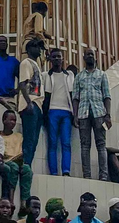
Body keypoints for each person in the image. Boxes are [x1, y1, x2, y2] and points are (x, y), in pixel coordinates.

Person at [72, 48, 111, 180]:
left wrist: (108, 115)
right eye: (87, 54)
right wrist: (75, 115)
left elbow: (107, 96)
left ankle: (103, 175)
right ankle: (87, 175)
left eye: (92, 54)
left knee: (101, 145)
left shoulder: (102, 75)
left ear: (95, 57)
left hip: (99, 113)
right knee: (85, 145)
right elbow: (75, 98)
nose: (90, 56)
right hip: (83, 114)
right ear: (84, 58)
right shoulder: (79, 77)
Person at [43, 47, 74, 176]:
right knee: (52, 143)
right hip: (52, 111)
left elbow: (73, 94)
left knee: (66, 142)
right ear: (50, 59)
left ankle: (66, 171)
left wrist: (75, 114)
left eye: (59, 56)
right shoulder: (46, 75)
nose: (56, 59)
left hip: (67, 112)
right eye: (54, 56)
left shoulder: (69, 75)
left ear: (62, 59)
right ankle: (54, 172)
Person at [0, 110, 32, 214]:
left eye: (14, 120)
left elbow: (21, 152)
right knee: (13, 167)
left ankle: (24, 204)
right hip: (5, 162)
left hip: (18, 161)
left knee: (27, 169)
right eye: (11, 120)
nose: (13, 122)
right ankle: (11, 201)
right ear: (4, 120)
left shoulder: (19, 136)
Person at [18, 38, 44, 166]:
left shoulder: (36, 65)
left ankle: (27, 165)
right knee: (29, 138)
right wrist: (28, 103)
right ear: (28, 49)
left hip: (38, 105)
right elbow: (22, 84)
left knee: (34, 140)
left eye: (39, 47)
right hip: (31, 104)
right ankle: (25, 165)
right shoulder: (26, 63)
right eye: (36, 46)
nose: (39, 49)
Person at [0, 35, 20, 100]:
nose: (3, 43)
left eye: (5, 41)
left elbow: (23, 78)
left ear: (7, 45)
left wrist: (17, 90)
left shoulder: (13, 61)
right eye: (0, 41)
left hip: (8, 97)